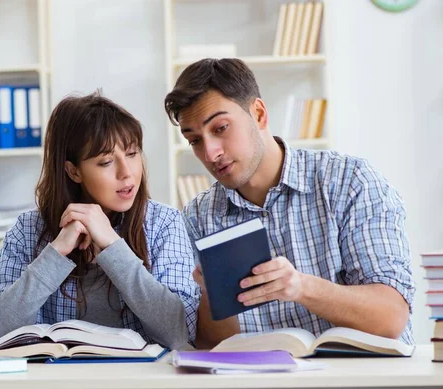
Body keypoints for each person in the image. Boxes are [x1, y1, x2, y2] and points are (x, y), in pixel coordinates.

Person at [164, 58, 415, 349]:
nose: (210, 153)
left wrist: (301, 287)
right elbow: (212, 347)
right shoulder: (198, 217)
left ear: (258, 114)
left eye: (220, 128)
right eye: (194, 140)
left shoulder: (350, 182)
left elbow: (391, 317)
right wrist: (213, 296)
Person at [0, 91, 199, 350]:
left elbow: (181, 331)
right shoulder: (27, 230)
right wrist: (56, 252)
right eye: (106, 162)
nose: (127, 173)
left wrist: (113, 247)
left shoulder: (164, 223)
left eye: (132, 154)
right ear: (73, 171)